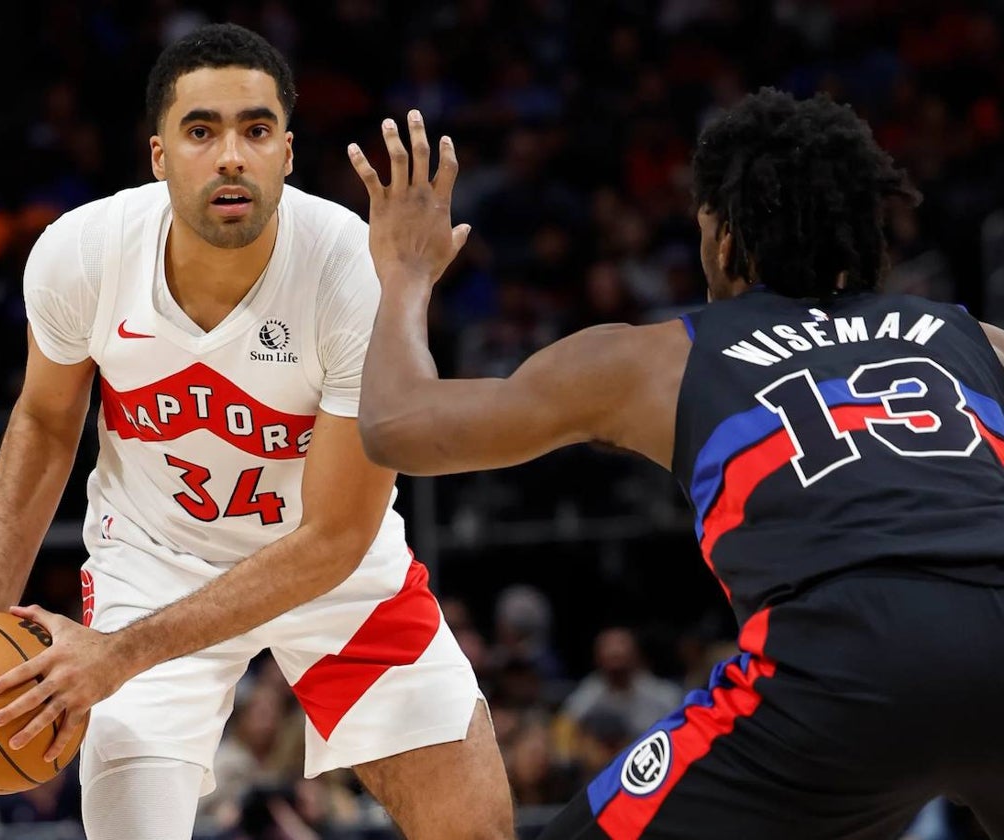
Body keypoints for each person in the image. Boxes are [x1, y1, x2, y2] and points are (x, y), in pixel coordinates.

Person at [347, 90, 1004, 838]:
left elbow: (397, 425)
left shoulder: (662, 358)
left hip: (841, 660)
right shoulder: (974, 339)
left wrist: (403, 272)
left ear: (725, 243)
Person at [0, 23, 512, 840]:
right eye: (202, 131)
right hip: (156, 564)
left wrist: (118, 655)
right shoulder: (81, 255)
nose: (231, 154)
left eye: (255, 129)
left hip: (332, 574)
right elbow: (47, 417)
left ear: (287, 153)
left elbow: (336, 538)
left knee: (473, 829)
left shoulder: (352, 272)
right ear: (160, 155)